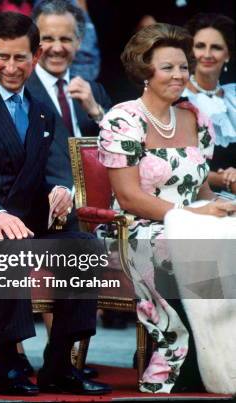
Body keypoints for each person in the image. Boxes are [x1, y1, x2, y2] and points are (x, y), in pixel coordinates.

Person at [0, 11, 111, 396]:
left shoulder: (44, 110)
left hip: (24, 227)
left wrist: (61, 191)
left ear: (37, 54)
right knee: (10, 246)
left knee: (84, 247)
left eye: (20, 58)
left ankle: (59, 364)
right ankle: (9, 364)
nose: (11, 67)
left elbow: (56, 172)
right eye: (3, 57)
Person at [96, 23, 235, 393]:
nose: (179, 75)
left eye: (183, 67)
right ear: (145, 70)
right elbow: (128, 197)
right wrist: (189, 216)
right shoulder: (122, 119)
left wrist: (218, 208)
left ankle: (221, 356)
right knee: (192, 247)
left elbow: (202, 190)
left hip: (191, 224)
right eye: (167, 67)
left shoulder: (195, 118)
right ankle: (182, 357)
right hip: (135, 229)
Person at [26, 0, 111, 191]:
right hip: (46, 209)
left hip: (101, 203)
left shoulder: (95, 92)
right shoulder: (19, 93)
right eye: (47, 39)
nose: (57, 48)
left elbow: (123, 151)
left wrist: (97, 113)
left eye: (65, 39)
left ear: (79, 42)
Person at [183, 13, 235, 194]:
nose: (207, 54)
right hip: (193, 195)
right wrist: (224, 180)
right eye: (200, 46)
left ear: (227, 54)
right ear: (190, 52)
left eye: (216, 47)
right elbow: (177, 164)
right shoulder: (178, 98)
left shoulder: (234, 97)